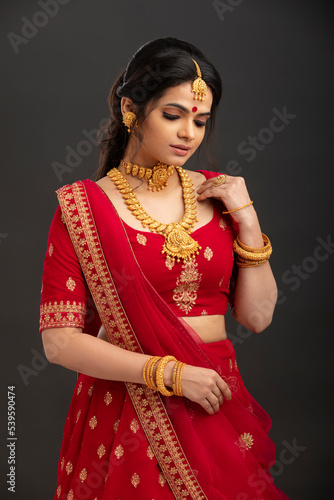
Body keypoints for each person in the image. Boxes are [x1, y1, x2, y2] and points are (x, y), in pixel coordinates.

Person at [40, 37, 289, 500]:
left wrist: (249, 220)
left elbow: (257, 317)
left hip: (215, 396)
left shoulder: (222, 195)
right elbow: (58, 343)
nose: (189, 134)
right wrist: (170, 374)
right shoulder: (83, 208)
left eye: (200, 121)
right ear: (132, 110)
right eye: (172, 115)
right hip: (129, 403)